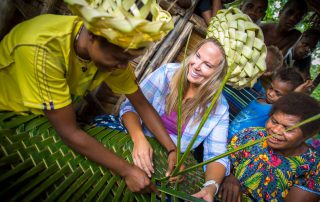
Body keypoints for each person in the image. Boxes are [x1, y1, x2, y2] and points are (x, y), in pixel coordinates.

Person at [0, 1, 176, 193]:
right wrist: (127, 170)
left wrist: (171, 149)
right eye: (120, 59)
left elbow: (141, 103)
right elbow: (70, 133)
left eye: (128, 60)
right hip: (12, 120)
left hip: (50, 120)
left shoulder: (115, 53)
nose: (123, 67)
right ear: (92, 35)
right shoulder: (42, 48)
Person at [120, 38, 230, 201]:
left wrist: (211, 187)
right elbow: (130, 108)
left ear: (218, 75)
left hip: (172, 162)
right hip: (134, 138)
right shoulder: (167, 73)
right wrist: (139, 138)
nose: (197, 66)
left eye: (207, 65)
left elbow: (217, 154)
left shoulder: (219, 107)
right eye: (198, 56)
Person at [220, 92, 320, 201]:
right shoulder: (250, 135)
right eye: (274, 121)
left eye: (288, 129)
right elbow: (221, 161)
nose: (275, 130)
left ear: (308, 135)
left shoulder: (313, 166)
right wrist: (229, 176)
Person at [228, 68, 304, 140]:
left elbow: (290, 106)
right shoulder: (260, 98)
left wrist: (296, 94)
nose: (270, 93)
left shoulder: (275, 110)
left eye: (278, 94)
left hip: (237, 145)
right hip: (226, 136)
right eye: (271, 88)